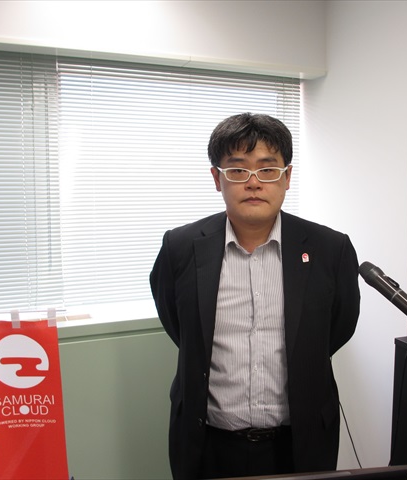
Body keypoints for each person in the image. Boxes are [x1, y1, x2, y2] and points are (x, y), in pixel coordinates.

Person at [150, 113, 361, 479]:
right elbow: (179, 326)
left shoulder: (330, 249)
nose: (253, 183)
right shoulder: (180, 247)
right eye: (237, 170)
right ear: (216, 178)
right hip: (208, 443)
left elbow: (337, 328)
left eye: (267, 170)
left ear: (287, 177)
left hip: (299, 444)